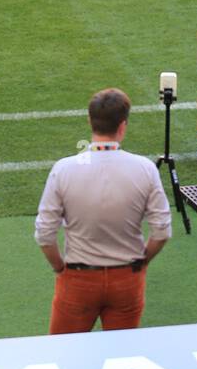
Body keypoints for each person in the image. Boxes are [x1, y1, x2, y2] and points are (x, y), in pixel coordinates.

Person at [34, 88, 171, 331]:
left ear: (90, 121)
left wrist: (60, 268)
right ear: (123, 125)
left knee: (65, 358)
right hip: (127, 281)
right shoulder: (145, 169)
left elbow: (44, 235)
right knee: (120, 359)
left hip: (78, 281)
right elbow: (161, 232)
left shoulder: (63, 169)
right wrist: (142, 262)